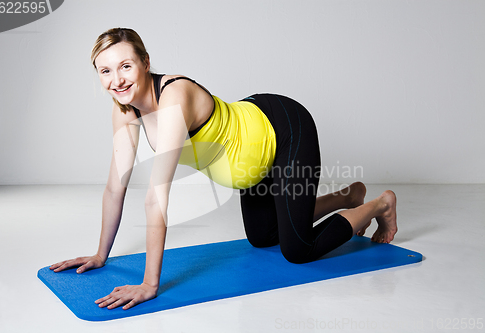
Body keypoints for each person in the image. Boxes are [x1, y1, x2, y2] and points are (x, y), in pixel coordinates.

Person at [50, 28, 398, 311]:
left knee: (298, 250)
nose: (117, 80)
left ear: (145, 62)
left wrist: (149, 284)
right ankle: (347, 195)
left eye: (125, 66)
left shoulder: (174, 97)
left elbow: (156, 197)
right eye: (105, 70)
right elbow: (116, 187)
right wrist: (100, 254)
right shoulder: (124, 112)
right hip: (252, 161)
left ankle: (377, 205)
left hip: (282, 131)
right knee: (263, 238)